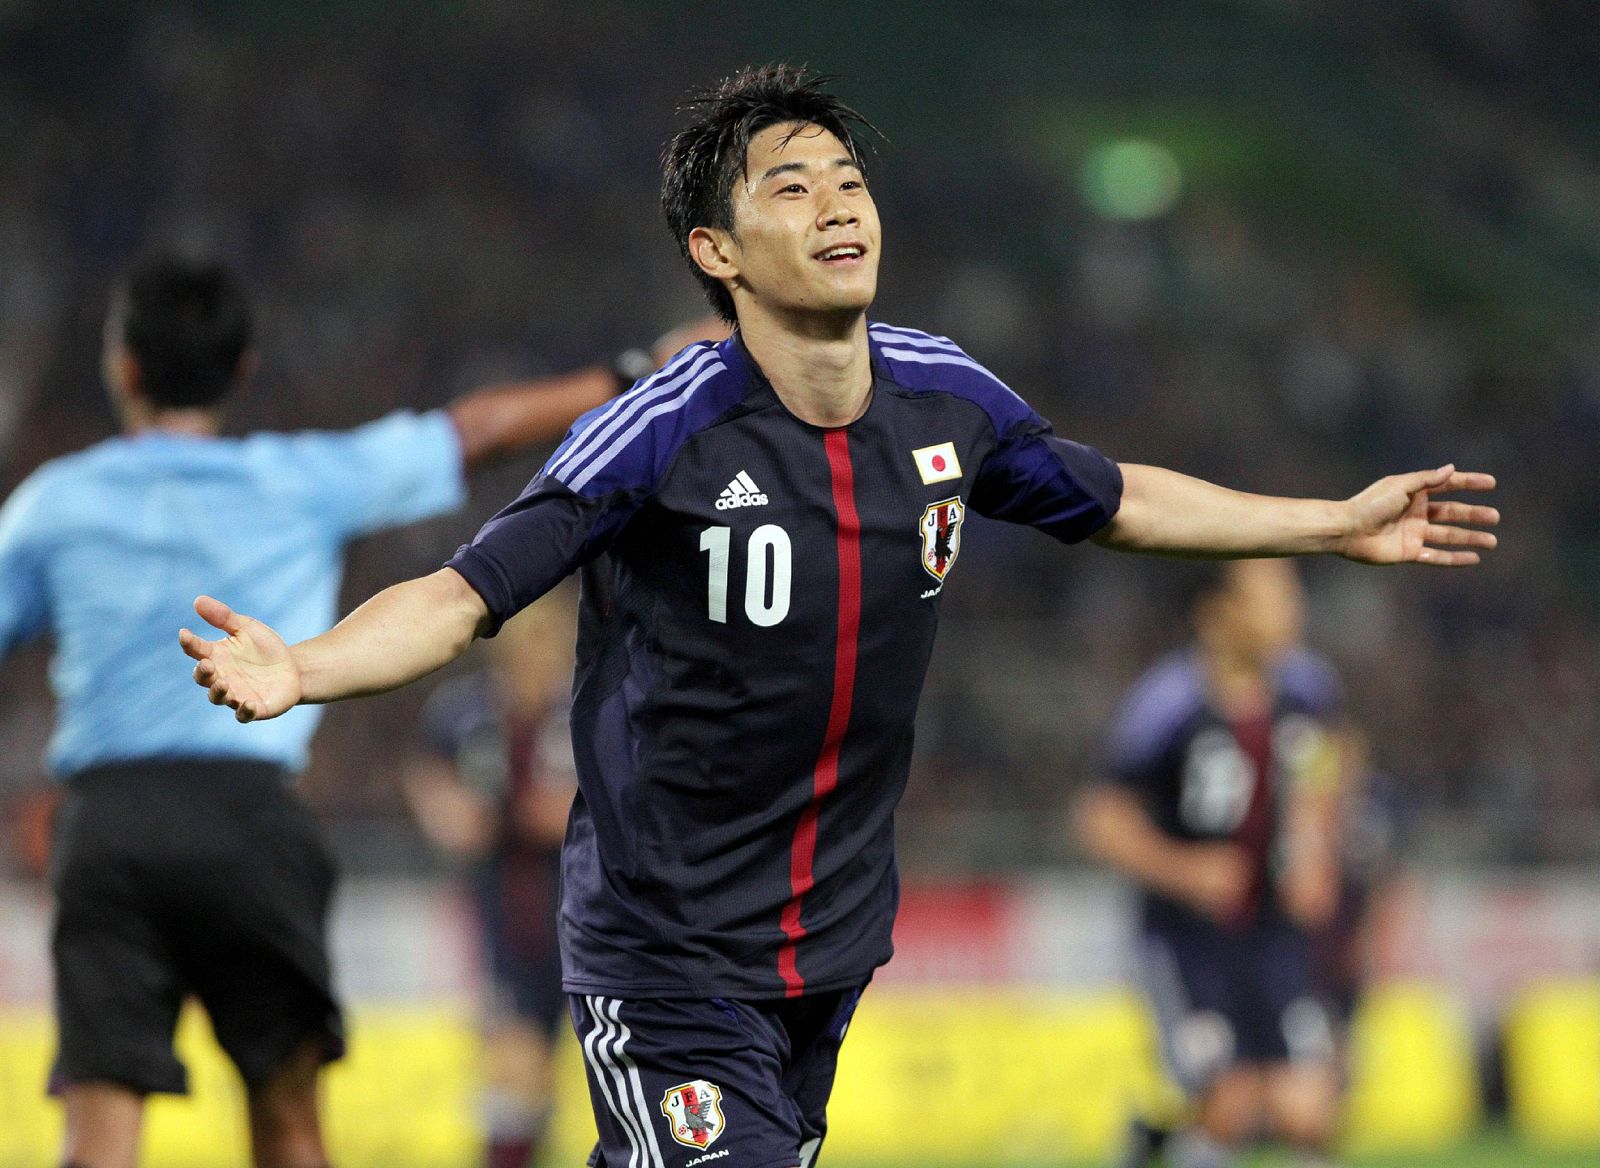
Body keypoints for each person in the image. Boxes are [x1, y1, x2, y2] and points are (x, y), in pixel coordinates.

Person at [180, 65, 1498, 1168]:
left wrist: (1331, 522)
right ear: (717, 252)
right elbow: (460, 597)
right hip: (663, 949)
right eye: (791, 188)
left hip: (830, 945)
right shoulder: (657, 432)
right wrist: (307, 667)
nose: (837, 204)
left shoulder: (946, 399)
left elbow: (1117, 498)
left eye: (849, 181)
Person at [0, 253, 715, 1168]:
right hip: (249, 814)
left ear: (123, 366)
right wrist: (633, 372)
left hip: (106, 825)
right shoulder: (303, 476)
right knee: (288, 1116)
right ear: (243, 368)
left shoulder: (54, 502)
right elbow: (478, 430)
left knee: (99, 1133)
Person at [1075, 559, 1350, 1168]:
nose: (1294, 609)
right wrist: (1184, 869)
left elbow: (1329, 761)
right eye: (1274, 596)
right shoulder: (1167, 702)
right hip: (1188, 939)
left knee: (1309, 1109)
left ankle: (1156, 1138)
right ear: (1217, 614)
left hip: (1275, 931)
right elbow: (1100, 817)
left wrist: (1316, 849)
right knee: (1231, 1104)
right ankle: (1168, 1141)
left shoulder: (1308, 687)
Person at [402, 583, 579, 1168]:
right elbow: (428, 775)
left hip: (588, 908)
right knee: (513, 1052)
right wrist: (444, 809)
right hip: (503, 906)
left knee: (585, 1062)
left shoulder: (586, 709)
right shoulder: (465, 712)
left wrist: (581, 813)